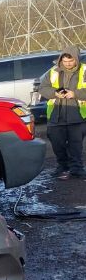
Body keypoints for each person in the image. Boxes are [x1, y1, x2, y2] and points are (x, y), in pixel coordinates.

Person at [38, 46, 86, 180]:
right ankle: (62, 167)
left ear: (76, 59)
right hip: (56, 116)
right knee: (57, 144)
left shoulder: (84, 70)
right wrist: (54, 93)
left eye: (70, 61)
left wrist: (75, 94)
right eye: (65, 61)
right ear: (61, 60)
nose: (68, 64)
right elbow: (42, 88)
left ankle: (77, 169)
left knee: (75, 146)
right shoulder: (53, 72)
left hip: (77, 116)